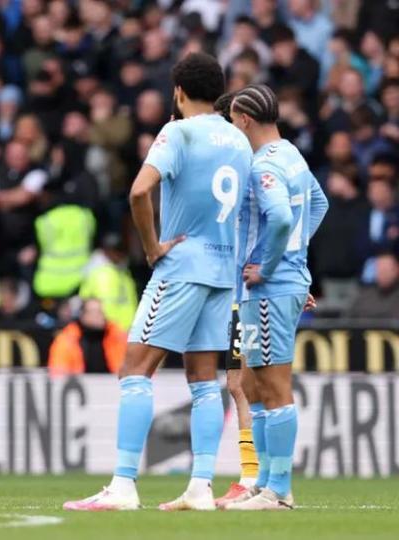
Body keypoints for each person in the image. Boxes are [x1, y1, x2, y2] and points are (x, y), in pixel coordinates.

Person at [63, 52, 252, 512]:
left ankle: (124, 485)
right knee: (205, 381)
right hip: (222, 274)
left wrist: (151, 247)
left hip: (182, 265)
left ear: (178, 92)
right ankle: (200, 487)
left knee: (134, 369)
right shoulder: (239, 140)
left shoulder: (177, 131)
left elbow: (138, 190)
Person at [225, 84, 328, 510]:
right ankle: (264, 481)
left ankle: (279, 490)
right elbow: (318, 204)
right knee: (253, 382)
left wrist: (273, 265)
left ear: (245, 120)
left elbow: (283, 216)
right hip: (280, 283)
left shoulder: (262, 164)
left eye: (233, 119)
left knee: (273, 384)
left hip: (268, 286)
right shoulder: (292, 155)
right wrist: (296, 259)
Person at [210, 91, 261, 507]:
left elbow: (284, 220)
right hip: (233, 287)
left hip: (249, 289)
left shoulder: (254, 169)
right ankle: (256, 475)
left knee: (247, 383)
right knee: (238, 382)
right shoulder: (242, 167)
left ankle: (255, 477)